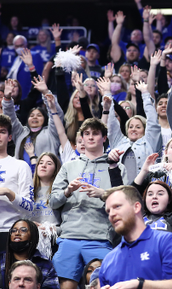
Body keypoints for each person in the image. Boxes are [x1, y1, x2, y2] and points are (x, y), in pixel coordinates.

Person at [49, 119, 126, 289]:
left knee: (104, 285)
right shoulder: (69, 166)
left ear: (104, 138)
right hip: (69, 236)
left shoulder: (116, 167)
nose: (90, 137)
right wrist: (67, 191)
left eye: (96, 133)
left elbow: (126, 203)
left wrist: (103, 194)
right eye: (87, 134)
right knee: (66, 286)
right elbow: (53, 202)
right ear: (81, 138)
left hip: (100, 237)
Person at [99, 185, 172, 289]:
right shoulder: (108, 260)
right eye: (108, 211)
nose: (111, 214)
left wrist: (140, 284)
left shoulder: (167, 242)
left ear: (136, 207)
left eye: (117, 207)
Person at [105, 80, 160, 183]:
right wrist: (107, 93)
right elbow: (112, 123)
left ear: (145, 130)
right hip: (121, 189)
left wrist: (145, 94)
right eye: (131, 127)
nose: (133, 129)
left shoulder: (149, 142)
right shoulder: (119, 142)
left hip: (144, 189)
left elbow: (153, 122)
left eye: (138, 127)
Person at [3, 79, 63, 164]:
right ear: (27, 119)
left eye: (39, 115)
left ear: (45, 119)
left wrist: (46, 93)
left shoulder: (51, 133)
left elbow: (57, 115)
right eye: (31, 115)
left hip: (45, 175)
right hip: (22, 175)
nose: (35, 117)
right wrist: (7, 99)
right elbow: (10, 117)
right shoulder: (20, 133)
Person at [0, 114, 34, 253]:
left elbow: (30, 207)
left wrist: (9, 192)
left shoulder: (20, 165)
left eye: (2, 132)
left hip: (11, 232)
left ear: (9, 137)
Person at [0, 219, 59, 289]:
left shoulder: (45, 263)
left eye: (23, 230)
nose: (17, 233)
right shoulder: (0, 259)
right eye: (13, 230)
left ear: (33, 235)